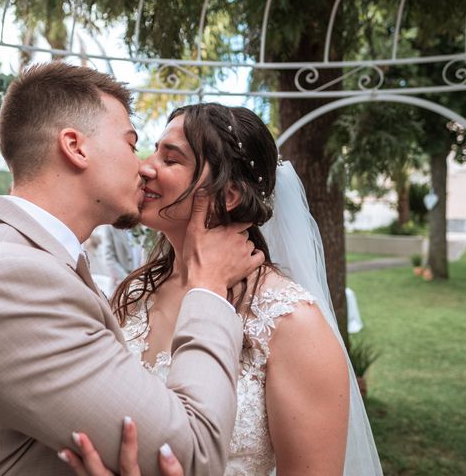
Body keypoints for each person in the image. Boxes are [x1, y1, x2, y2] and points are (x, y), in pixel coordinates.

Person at [0, 62, 264, 475]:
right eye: (131, 144)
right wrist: (207, 288)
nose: (143, 167)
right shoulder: (9, 279)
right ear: (76, 147)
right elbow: (192, 455)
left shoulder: (19, 257)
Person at [66, 103, 383, 475]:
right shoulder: (134, 294)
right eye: (153, 151)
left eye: (171, 160)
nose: (146, 167)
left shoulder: (290, 323)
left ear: (229, 195)